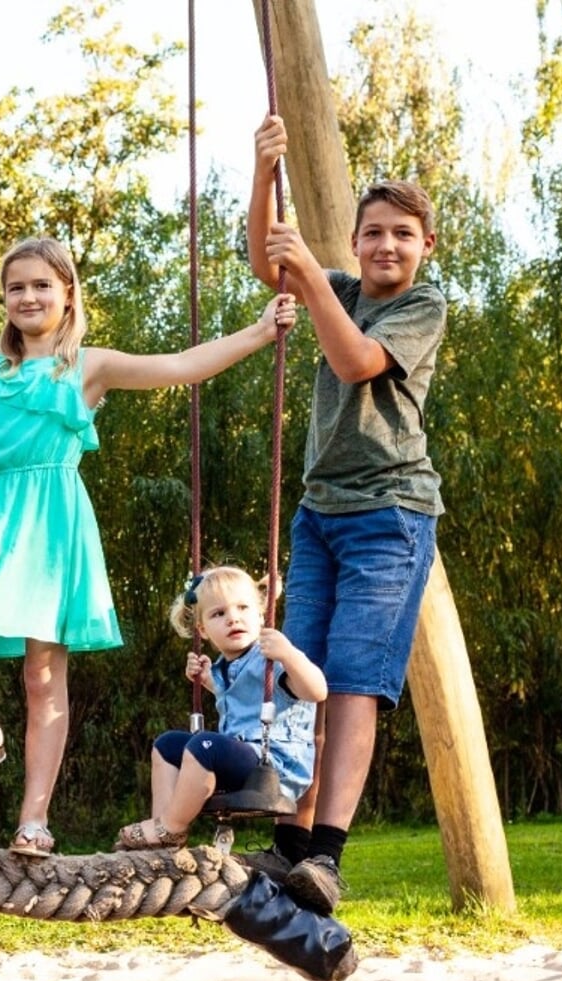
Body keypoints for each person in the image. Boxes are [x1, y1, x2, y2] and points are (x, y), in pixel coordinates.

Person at [0, 236, 298, 858]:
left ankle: (33, 820)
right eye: (17, 287)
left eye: (42, 285)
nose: (29, 296)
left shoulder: (88, 366)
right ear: (5, 301)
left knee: (44, 676)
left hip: (53, 524)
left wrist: (257, 333)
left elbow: (179, 365)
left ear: (67, 294)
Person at [245, 114, 448, 913]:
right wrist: (264, 174)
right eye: (372, 233)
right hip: (319, 513)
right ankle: (290, 844)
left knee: (354, 684)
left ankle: (325, 855)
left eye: (401, 234)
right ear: (355, 241)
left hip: (389, 514)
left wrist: (306, 271)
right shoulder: (334, 286)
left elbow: (352, 360)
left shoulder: (421, 306)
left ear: (423, 245)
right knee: (306, 683)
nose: (385, 246)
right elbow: (268, 260)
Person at [114, 566, 327, 851]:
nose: (233, 618)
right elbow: (240, 699)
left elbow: (317, 691)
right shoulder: (223, 669)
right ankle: (162, 832)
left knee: (204, 745)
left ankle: (172, 827)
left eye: (242, 608)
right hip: (242, 757)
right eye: (219, 614)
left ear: (261, 615)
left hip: (274, 767)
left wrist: (290, 655)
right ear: (202, 629)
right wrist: (206, 681)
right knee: (167, 745)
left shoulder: (271, 660)